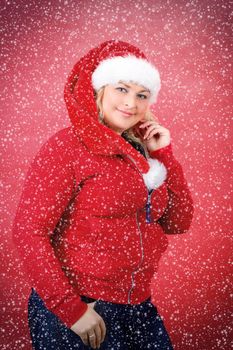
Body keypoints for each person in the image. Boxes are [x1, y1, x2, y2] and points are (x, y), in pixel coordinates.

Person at [12, 40, 194, 350]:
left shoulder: (142, 152)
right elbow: (28, 232)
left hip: (138, 308)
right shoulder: (66, 148)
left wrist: (164, 154)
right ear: (99, 90)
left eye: (141, 95)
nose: (130, 103)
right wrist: (71, 310)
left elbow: (178, 221)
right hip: (81, 310)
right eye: (121, 89)